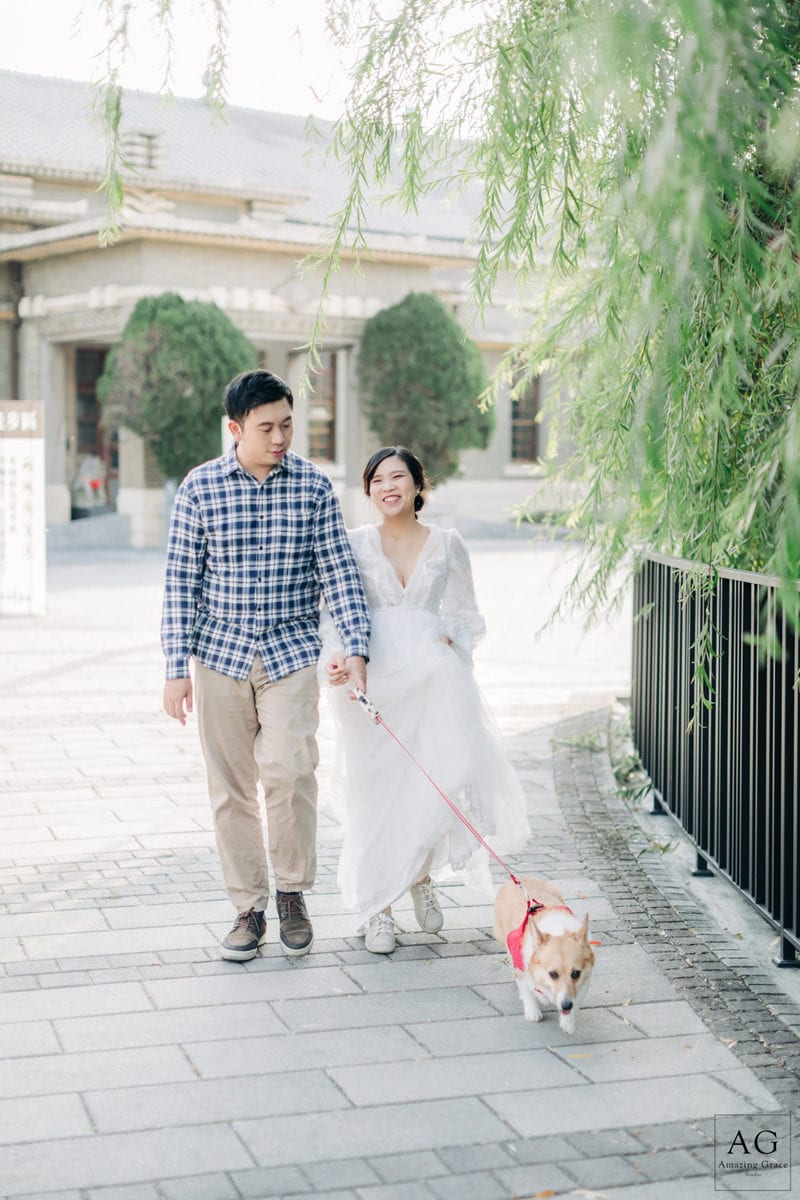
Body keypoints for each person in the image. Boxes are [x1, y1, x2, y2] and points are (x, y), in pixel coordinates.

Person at [161, 369, 370, 962]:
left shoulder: (313, 486)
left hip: (290, 653)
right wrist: (175, 667)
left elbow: (339, 572)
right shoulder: (199, 488)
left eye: (287, 425)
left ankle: (292, 893)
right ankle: (247, 907)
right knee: (230, 787)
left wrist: (356, 646)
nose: (280, 438)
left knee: (290, 771)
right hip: (219, 655)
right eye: (266, 428)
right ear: (235, 429)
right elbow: (181, 580)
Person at [321, 446, 530, 954]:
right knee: (373, 793)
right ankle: (377, 909)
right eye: (377, 480)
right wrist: (337, 656)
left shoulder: (448, 543)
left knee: (428, 785)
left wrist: (449, 635)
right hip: (372, 679)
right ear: (368, 490)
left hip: (433, 681)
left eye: (398, 477)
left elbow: (468, 615)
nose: (387, 487)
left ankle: (419, 878)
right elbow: (333, 610)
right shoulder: (353, 543)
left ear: (418, 485)